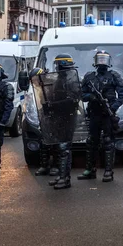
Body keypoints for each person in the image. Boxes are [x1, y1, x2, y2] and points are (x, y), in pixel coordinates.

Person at [78, 50, 123, 183]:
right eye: (100, 59)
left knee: (108, 142)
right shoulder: (89, 77)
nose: (102, 62)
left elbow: (122, 96)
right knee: (91, 142)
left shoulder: (114, 76)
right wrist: (92, 97)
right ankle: (90, 170)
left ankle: (108, 171)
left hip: (108, 114)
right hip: (94, 114)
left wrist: (113, 107)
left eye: (104, 59)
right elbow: (82, 95)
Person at [45, 55, 80, 190]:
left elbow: (72, 100)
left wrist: (53, 105)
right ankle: (61, 175)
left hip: (68, 116)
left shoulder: (72, 79)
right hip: (58, 117)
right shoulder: (60, 78)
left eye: (57, 65)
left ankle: (65, 179)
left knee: (64, 148)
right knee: (59, 147)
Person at [31, 68, 60, 179]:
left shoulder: (52, 83)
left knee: (56, 143)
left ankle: (56, 166)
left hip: (56, 115)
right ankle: (44, 165)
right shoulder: (38, 87)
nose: (34, 82)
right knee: (44, 141)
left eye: (34, 80)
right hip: (45, 115)